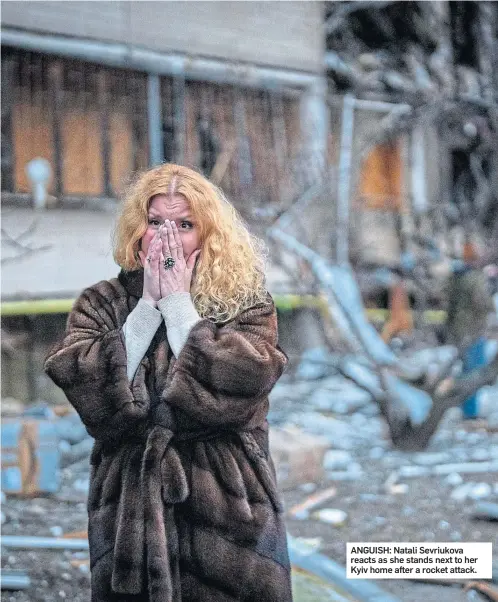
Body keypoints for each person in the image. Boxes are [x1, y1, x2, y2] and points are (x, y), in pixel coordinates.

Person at [44, 164, 293, 602]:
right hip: (130, 510)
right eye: (155, 222)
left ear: (209, 233)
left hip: (226, 504)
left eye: (184, 224)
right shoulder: (101, 303)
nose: (167, 237)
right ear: (137, 229)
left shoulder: (245, 303)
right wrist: (144, 311)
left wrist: (179, 306)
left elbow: (248, 381)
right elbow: (84, 391)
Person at [446, 240, 494, 419]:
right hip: (473, 329)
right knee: (475, 371)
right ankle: (470, 411)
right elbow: (482, 303)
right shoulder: (475, 277)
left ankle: (463, 406)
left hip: (459, 330)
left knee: (465, 368)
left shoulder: (456, 276)